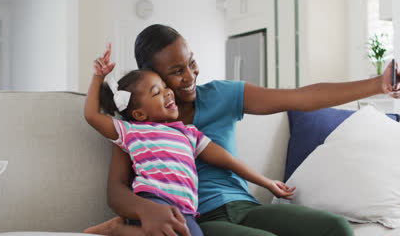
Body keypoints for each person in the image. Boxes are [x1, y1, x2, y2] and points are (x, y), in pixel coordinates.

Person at [89, 24, 400, 236]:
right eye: (175, 71)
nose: (190, 76)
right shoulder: (136, 126)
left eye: (191, 62)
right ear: (151, 75)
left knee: (336, 228)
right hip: (199, 219)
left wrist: (377, 85)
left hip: (245, 206)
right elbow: (116, 191)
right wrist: (148, 210)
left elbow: (299, 97)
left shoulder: (223, 95)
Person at [83, 44, 296, 236]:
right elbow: (92, 116)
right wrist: (98, 77)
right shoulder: (130, 130)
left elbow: (227, 160)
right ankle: (117, 230)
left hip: (186, 209)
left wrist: (267, 182)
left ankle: (118, 229)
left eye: (165, 87)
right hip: (153, 199)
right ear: (139, 114)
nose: (168, 93)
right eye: (157, 93)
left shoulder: (188, 133)